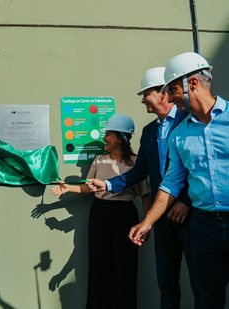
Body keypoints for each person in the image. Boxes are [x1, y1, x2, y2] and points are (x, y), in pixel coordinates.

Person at [87, 67, 196, 308]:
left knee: (201, 281)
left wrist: (185, 201)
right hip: (162, 216)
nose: (143, 99)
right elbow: (139, 172)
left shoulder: (189, 121)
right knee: (166, 281)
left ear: (163, 94)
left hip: (191, 215)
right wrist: (107, 183)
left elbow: (199, 167)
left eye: (146, 93)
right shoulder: (149, 132)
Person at [129, 52, 229, 309]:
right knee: (207, 299)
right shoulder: (179, 135)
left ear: (192, 83)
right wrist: (147, 222)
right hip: (204, 228)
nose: (171, 97)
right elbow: (170, 185)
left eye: (173, 89)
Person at [51, 113, 150, 309]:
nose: (104, 138)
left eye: (109, 134)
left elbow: (146, 195)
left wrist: (146, 224)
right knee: (99, 265)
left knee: (124, 267)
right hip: (99, 214)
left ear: (122, 137)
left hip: (124, 215)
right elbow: (90, 187)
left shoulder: (136, 163)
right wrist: (68, 188)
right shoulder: (99, 160)